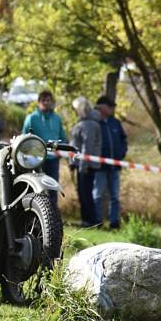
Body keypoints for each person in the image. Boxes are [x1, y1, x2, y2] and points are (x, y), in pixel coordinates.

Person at [22, 90, 66, 206]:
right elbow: (24, 138)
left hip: (53, 160)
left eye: (48, 100)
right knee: (37, 189)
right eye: (43, 100)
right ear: (39, 102)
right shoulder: (31, 118)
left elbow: (62, 137)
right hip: (36, 160)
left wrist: (62, 150)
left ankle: (53, 218)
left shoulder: (57, 119)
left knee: (53, 188)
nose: (46, 103)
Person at [93, 95, 128, 229]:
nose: (112, 109)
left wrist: (122, 154)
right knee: (98, 195)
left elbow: (123, 139)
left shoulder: (115, 122)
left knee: (115, 196)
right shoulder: (95, 123)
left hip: (115, 166)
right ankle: (97, 221)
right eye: (110, 106)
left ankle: (114, 222)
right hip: (99, 166)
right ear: (102, 107)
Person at [69, 97, 102, 227]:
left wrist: (82, 166)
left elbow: (86, 147)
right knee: (85, 192)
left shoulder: (88, 125)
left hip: (86, 165)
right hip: (83, 164)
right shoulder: (85, 123)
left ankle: (89, 220)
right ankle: (88, 219)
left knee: (85, 193)